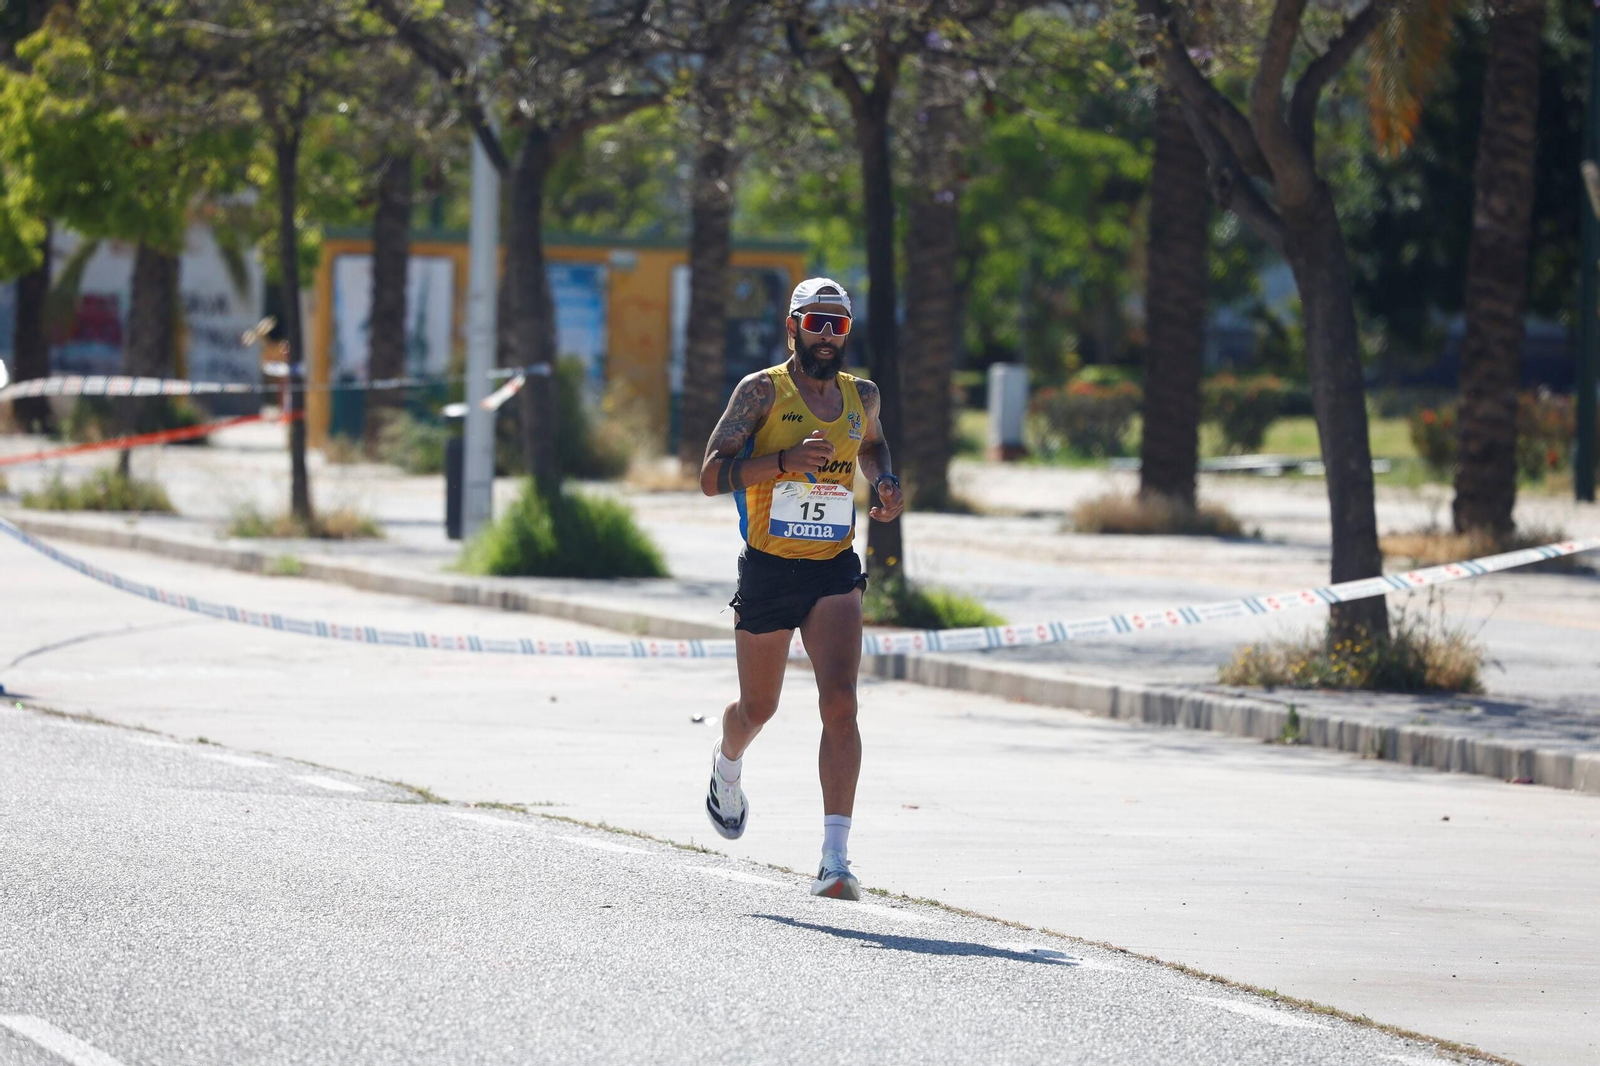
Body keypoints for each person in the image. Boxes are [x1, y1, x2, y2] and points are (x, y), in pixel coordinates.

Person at [697, 277, 903, 900]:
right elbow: (710, 475)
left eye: (838, 325)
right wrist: (784, 463)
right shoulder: (761, 391)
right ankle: (726, 766)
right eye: (815, 323)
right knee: (757, 709)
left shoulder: (862, 395)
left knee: (841, 703)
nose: (826, 336)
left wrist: (885, 481)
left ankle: (835, 860)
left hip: (832, 567)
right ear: (792, 327)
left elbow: (873, 445)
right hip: (768, 566)